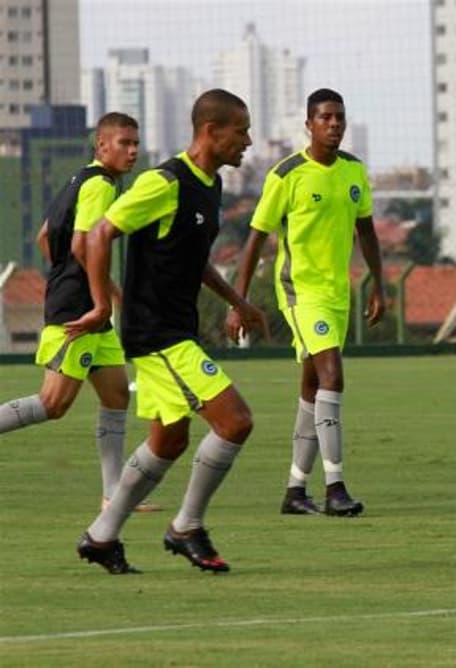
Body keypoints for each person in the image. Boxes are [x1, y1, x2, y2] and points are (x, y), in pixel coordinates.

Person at [66, 89, 266, 574]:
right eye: (241, 131)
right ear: (210, 131)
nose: (247, 141)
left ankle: (101, 536)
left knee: (169, 439)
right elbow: (99, 234)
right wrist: (101, 305)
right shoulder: (164, 182)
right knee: (235, 421)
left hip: (176, 330)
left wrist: (238, 301)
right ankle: (186, 527)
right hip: (157, 334)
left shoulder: (211, 185)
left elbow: (195, 261)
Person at [227, 88, 383, 518]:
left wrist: (378, 285)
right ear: (309, 124)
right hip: (300, 292)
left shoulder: (354, 171)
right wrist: (238, 301)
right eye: (325, 117)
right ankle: (335, 488)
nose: (334, 124)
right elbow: (255, 239)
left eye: (339, 118)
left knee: (313, 388)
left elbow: (367, 231)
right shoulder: (287, 174)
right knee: (333, 375)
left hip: (337, 294)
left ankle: (295, 491)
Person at [0, 112, 159, 512]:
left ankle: (113, 496)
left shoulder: (78, 180)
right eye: (124, 143)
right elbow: (81, 245)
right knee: (52, 404)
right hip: (79, 312)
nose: (133, 151)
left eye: (136, 143)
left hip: (87, 307)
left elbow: (44, 238)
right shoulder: (101, 185)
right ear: (101, 145)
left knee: (117, 395)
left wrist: (72, 279)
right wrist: (97, 295)